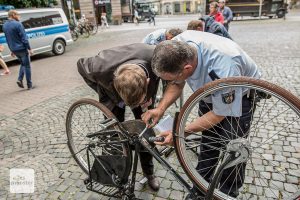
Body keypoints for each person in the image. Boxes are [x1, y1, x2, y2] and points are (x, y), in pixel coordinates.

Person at [142, 31, 261, 198]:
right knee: (208, 144)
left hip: (239, 94)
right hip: (207, 91)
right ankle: (200, 188)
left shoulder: (224, 66)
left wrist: (179, 133)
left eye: (170, 78)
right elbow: (176, 83)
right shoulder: (176, 46)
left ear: (187, 68)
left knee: (234, 150)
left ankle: (228, 193)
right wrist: (160, 108)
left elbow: (220, 114)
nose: (170, 81)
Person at [77, 43, 160, 191]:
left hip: (140, 88)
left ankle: (149, 173)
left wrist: (149, 98)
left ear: (147, 82)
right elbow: (80, 65)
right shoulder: (98, 66)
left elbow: (168, 80)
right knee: (113, 134)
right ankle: (110, 170)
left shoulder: (155, 57)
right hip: (113, 95)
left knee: (145, 131)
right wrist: (103, 90)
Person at [3, 10, 33, 89]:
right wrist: (29, 48)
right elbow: (24, 39)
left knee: (23, 64)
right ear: (13, 15)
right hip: (22, 48)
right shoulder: (18, 24)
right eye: (18, 15)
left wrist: (12, 50)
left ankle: (20, 79)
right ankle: (29, 85)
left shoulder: (4, 26)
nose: (19, 16)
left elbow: (8, 39)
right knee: (27, 66)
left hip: (14, 49)